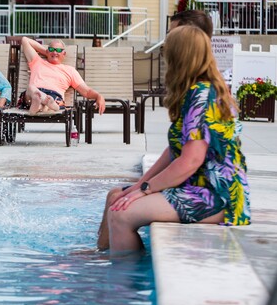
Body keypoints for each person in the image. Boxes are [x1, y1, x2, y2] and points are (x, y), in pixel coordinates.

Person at [98, 25, 250, 253]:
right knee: (115, 197)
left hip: (215, 196)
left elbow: (191, 161)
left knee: (120, 214)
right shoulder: (196, 91)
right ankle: (99, 259)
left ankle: (123, 282)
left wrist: (147, 189)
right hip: (195, 187)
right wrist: (141, 185)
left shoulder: (202, 95)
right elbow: (173, 152)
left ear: (179, 56)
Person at [19, 37, 105, 115]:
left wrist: (98, 96)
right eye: (52, 49)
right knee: (31, 88)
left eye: (59, 50)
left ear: (64, 54)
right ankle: (42, 105)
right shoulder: (37, 61)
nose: (55, 52)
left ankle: (38, 106)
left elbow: (86, 91)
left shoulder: (70, 70)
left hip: (54, 96)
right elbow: (25, 40)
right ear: (47, 51)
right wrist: (47, 53)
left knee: (41, 97)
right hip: (34, 94)